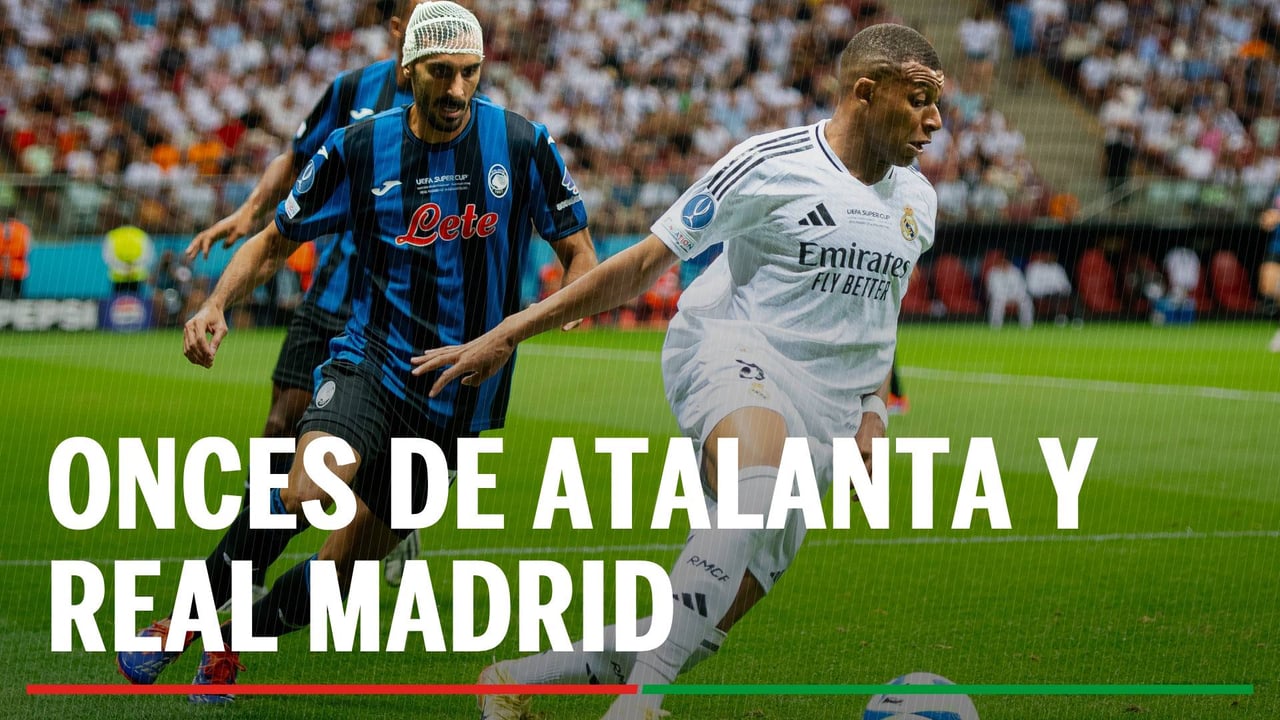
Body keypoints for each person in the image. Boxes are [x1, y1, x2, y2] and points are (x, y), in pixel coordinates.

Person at [416, 23, 943, 720]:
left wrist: (873, 412)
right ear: (866, 93)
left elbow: (879, 318)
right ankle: (639, 705)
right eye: (919, 99)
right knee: (754, 484)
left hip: (831, 411)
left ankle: (515, 679)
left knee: (702, 624)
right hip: (732, 346)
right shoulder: (769, 164)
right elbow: (643, 263)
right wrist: (511, 331)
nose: (935, 120)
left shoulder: (917, 202)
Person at [116, 1, 598, 701]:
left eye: (469, 72)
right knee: (307, 487)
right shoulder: (358, 146)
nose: (457, 89)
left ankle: (231, 642)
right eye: (441, 72)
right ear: (409, 68)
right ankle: (182, 622)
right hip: (371, 362)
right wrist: (216, 303)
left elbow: (580, 253)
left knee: (340, 574)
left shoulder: (522, 143)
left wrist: (530, 325)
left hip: (462, 396)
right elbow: (275, 242)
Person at [183, 0, 429, 592]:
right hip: (331, 294)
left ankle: (380, 516)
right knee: (280, 423)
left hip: (394, 311)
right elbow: (295, 158)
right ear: (397, 28)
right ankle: (250, 567)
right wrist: (250, 212)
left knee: (361, 448)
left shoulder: (456, 101)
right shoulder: (352, 89)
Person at [985, 254, 1034, 329]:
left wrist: (1015, 298)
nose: (1003, 263)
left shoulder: (1016, 271)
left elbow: (1022, 287)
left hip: (1016, 296)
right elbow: (993, 290)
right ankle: (995, 326)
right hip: (1000, 297)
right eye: (1001, 261)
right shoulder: (992, 272)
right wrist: (1006, 298)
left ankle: (1027, 325)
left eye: (1005, 261)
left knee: (1026, 300)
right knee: (997, 303)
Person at [102, 224, 154, 294]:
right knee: (137, 299)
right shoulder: (141, 234)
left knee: (119, 299)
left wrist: (124, 267)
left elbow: (107, 256)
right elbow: (149, 255)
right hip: (136, 276)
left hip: (119, 276)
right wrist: (133, 266)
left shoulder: (112, 235)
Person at [1258, 200, 1280, 350]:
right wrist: (1266, 219)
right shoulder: (1276, 192)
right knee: (1268, 287)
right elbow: (1266, 218)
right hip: (1276, 248)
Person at [0, 207, 31, 300]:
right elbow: (27, 247)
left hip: (4, 261)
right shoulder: (23, 228)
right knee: (17, 291)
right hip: (17, 261)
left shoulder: (3, 227)